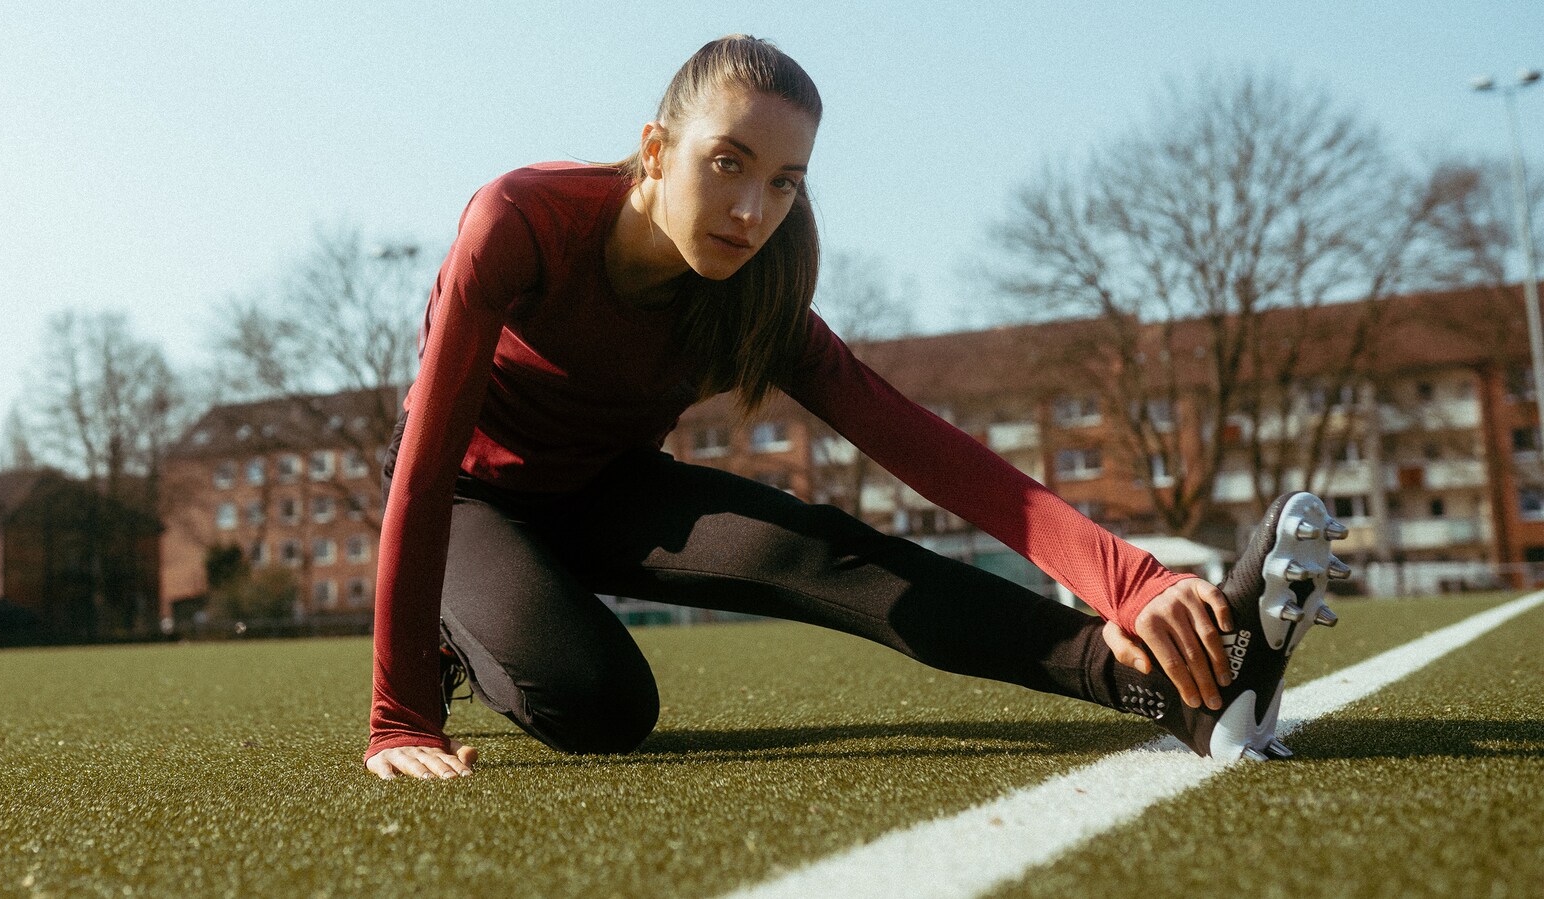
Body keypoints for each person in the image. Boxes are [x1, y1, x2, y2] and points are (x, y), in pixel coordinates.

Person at [364, 35, 1295, 781]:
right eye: (727, 162)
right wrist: (398, 714)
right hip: (469, 498)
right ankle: (460, 634)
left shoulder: (755, 284)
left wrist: (1126, 579)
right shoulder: (520, 222)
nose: (750, 210)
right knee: (602, 706)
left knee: (824, 551)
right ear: (655, 150)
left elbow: (921, 444)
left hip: (609, 489)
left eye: (783, 181)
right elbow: (423, 465)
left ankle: (1180, 698)